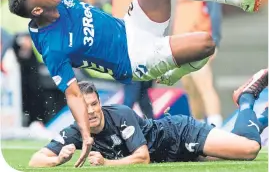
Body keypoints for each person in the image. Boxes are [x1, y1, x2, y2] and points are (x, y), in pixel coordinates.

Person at [8, 0, 262, 167]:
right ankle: (170, 74)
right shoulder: (52, 46)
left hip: (130, 26)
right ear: (37, 8)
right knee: (205, 43)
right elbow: (73, 93)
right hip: (133, 59)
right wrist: (85, 135)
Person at [28, 69, 268, 167]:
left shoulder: (120, 114)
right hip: (178, 157)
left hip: (182, 135)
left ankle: (246, 97)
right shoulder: (74, 131)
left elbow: (142, 158)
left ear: (100, 104)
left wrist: (106, 163)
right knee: (238, 141)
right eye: (84, 107)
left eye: (93, 105)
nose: (90, 111)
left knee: (248, 149)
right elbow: (35, 160)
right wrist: (56, 160)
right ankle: (264, 117)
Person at [173, 0, 223, 127]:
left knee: (205, 86)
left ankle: (216, 128)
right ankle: (199, 129)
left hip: (199, 44)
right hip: (181, 46)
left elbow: (215, 12)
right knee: (191, 90)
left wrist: (215, 41)